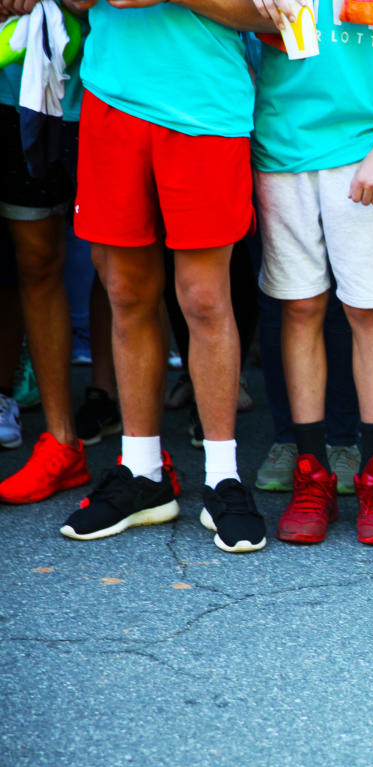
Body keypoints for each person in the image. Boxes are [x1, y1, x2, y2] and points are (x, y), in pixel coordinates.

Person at [59, 0, 270, 552]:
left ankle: (223, 475)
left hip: (205, 108)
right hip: (112, 100)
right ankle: (143, 472)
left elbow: (277, 17)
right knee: (125, 292)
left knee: (204, 298)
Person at [249, 0, 373, 546]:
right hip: (281, 145)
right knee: (301, 306)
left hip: (367, 146)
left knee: (367, 309)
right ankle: (311, 473)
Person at [0, 1, 91, 506]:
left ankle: (143, 453)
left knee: (124, 263)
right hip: (13, 86)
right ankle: (61, 440)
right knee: (34, 258)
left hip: (105, 86)